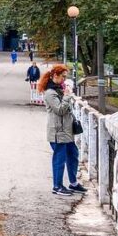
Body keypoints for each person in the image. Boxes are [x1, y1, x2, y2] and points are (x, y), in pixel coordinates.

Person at [38, 64, 85, 196]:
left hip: (66, 131)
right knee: (60, 159)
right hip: (58, 132)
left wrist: (66, 94)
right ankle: (57, 186)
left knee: (73, 154)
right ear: (55, 76)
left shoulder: (59, 89)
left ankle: (73, 183)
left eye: (66, 77)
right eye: (63, 77)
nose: (64, 79)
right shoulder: (50, 93)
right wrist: (67, 96)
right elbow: (59, 110)